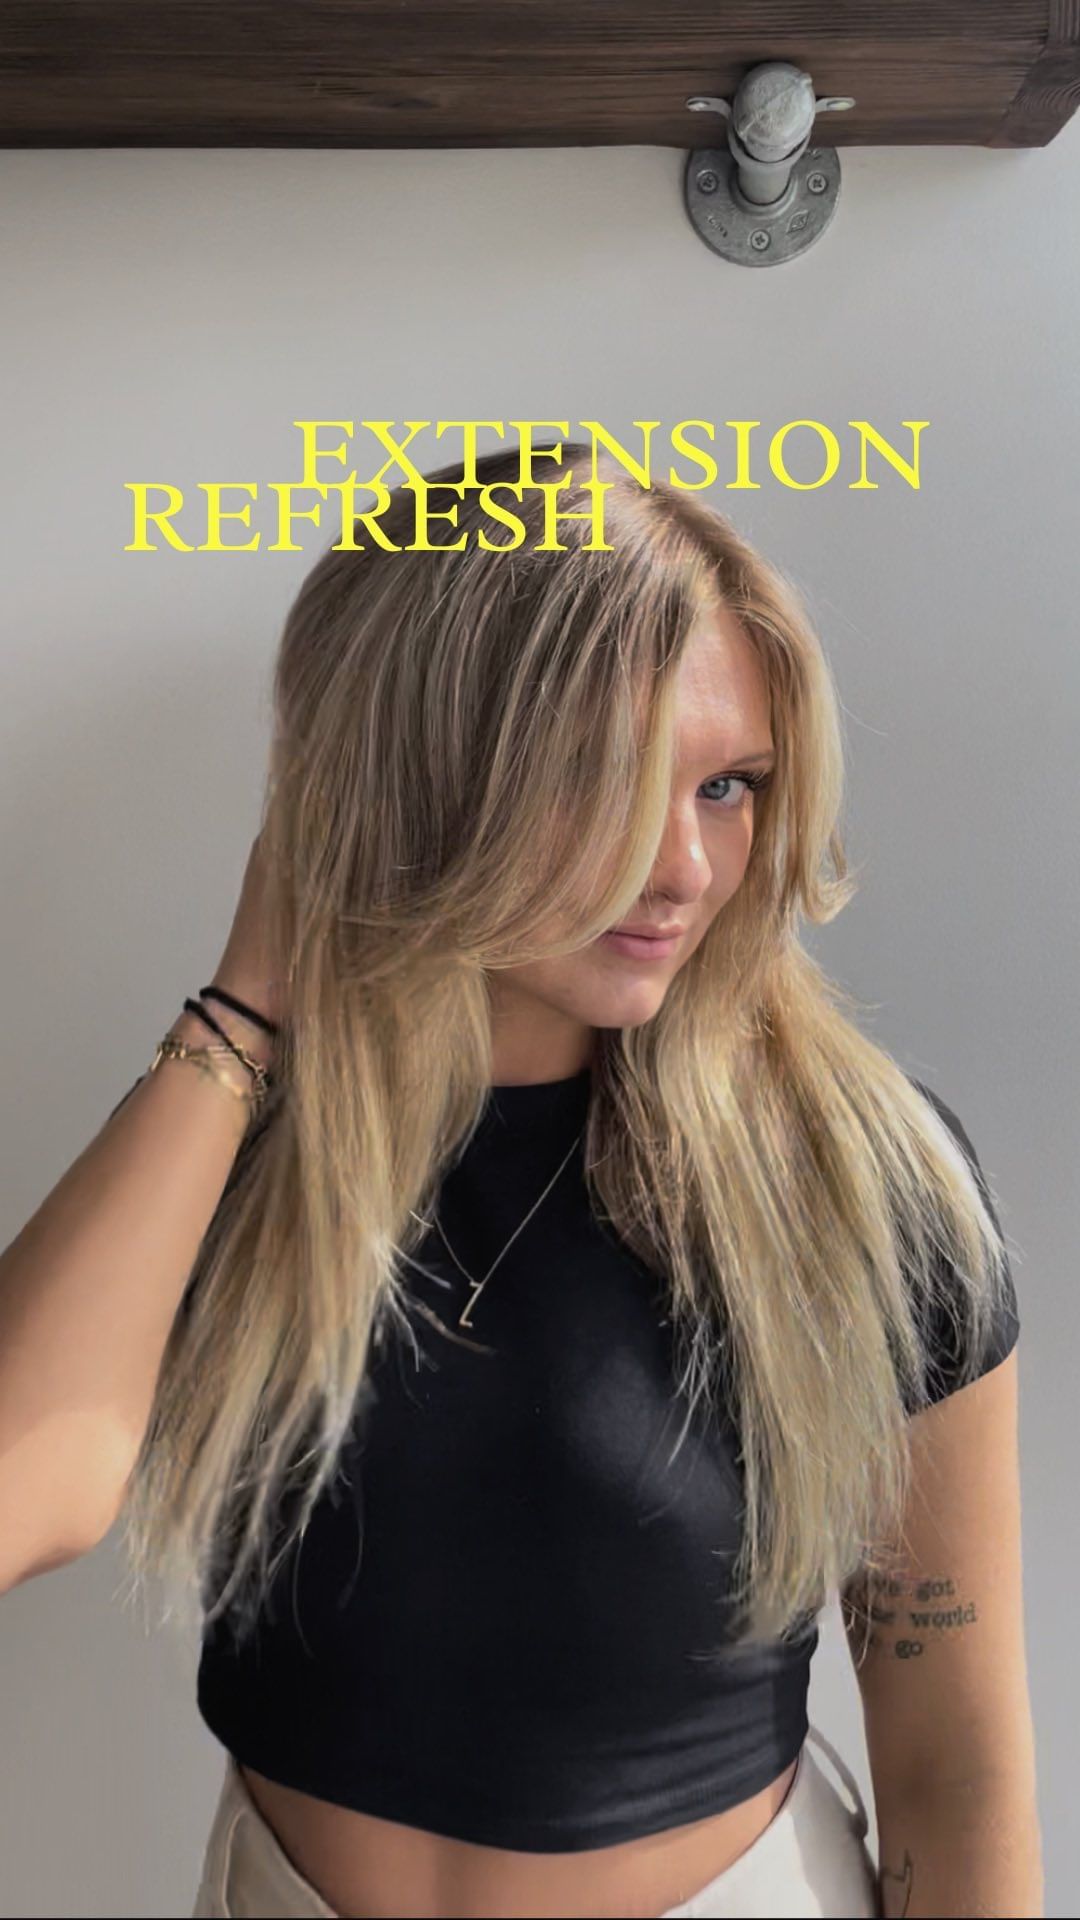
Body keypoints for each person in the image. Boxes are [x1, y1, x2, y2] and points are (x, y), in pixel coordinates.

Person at [0, 444, 1039, 1920]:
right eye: (605, 778)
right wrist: (252, 993)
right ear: (421, 776)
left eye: (728, 786)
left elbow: (957, 1769)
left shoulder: (859, 1182)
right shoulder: (241, 1144)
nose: (685, 866)